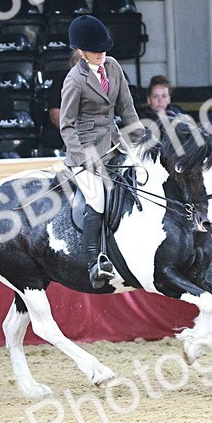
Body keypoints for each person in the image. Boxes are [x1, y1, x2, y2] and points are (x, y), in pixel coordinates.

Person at [59, 15, 143, 289]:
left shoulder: (114, 66)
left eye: (104, 48)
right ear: (81, 52)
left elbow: (126, 109)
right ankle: (94, 262)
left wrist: (142, 141)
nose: (101, 54)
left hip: (113, 144)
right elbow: (66, 125)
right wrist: (84, 160)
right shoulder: (75, 81)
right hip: (83, 153)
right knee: (96, 201)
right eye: (95, 50)